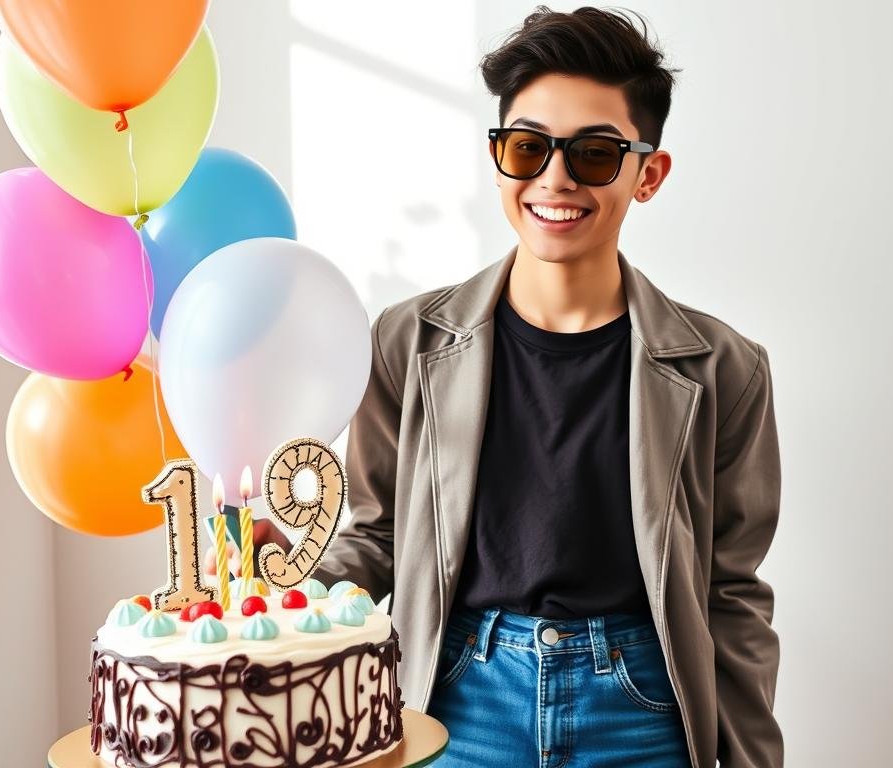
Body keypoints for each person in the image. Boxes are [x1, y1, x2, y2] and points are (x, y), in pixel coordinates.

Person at [208, 6, 782, 767]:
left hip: (641, 706)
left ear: (649, 174)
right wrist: (287, 574)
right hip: (456, 695)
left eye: (596, 154)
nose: (556, 178)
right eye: (528, 147)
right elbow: (378, 538)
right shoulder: (407, 342)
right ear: (500, 156)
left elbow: (731, 591)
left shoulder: (723, 369)